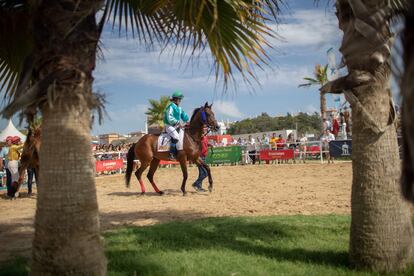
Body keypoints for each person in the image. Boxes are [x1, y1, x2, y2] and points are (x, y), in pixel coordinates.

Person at [163, 91, 189, 160]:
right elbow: (169, 117)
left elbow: (184, 116)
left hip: (176, 126)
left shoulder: (179, 108)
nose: (180, 101)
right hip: (169, 125)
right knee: (176, 136)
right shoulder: (171, 106)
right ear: (175, 99)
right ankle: (171, 153)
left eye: (180, 99)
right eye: (179, 99)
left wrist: (187, 121)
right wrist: (178, 122)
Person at [192, 126, 211, 192]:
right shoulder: (200, 136)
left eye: (205, 130)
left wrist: (209, 144)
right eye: (204, 129)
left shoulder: (205, 137)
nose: (205, 131)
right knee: (205, 173)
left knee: (201, 173)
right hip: (200, 157)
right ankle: (196, 184)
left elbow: (205, 143)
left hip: (204, 156)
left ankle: (199, 187)